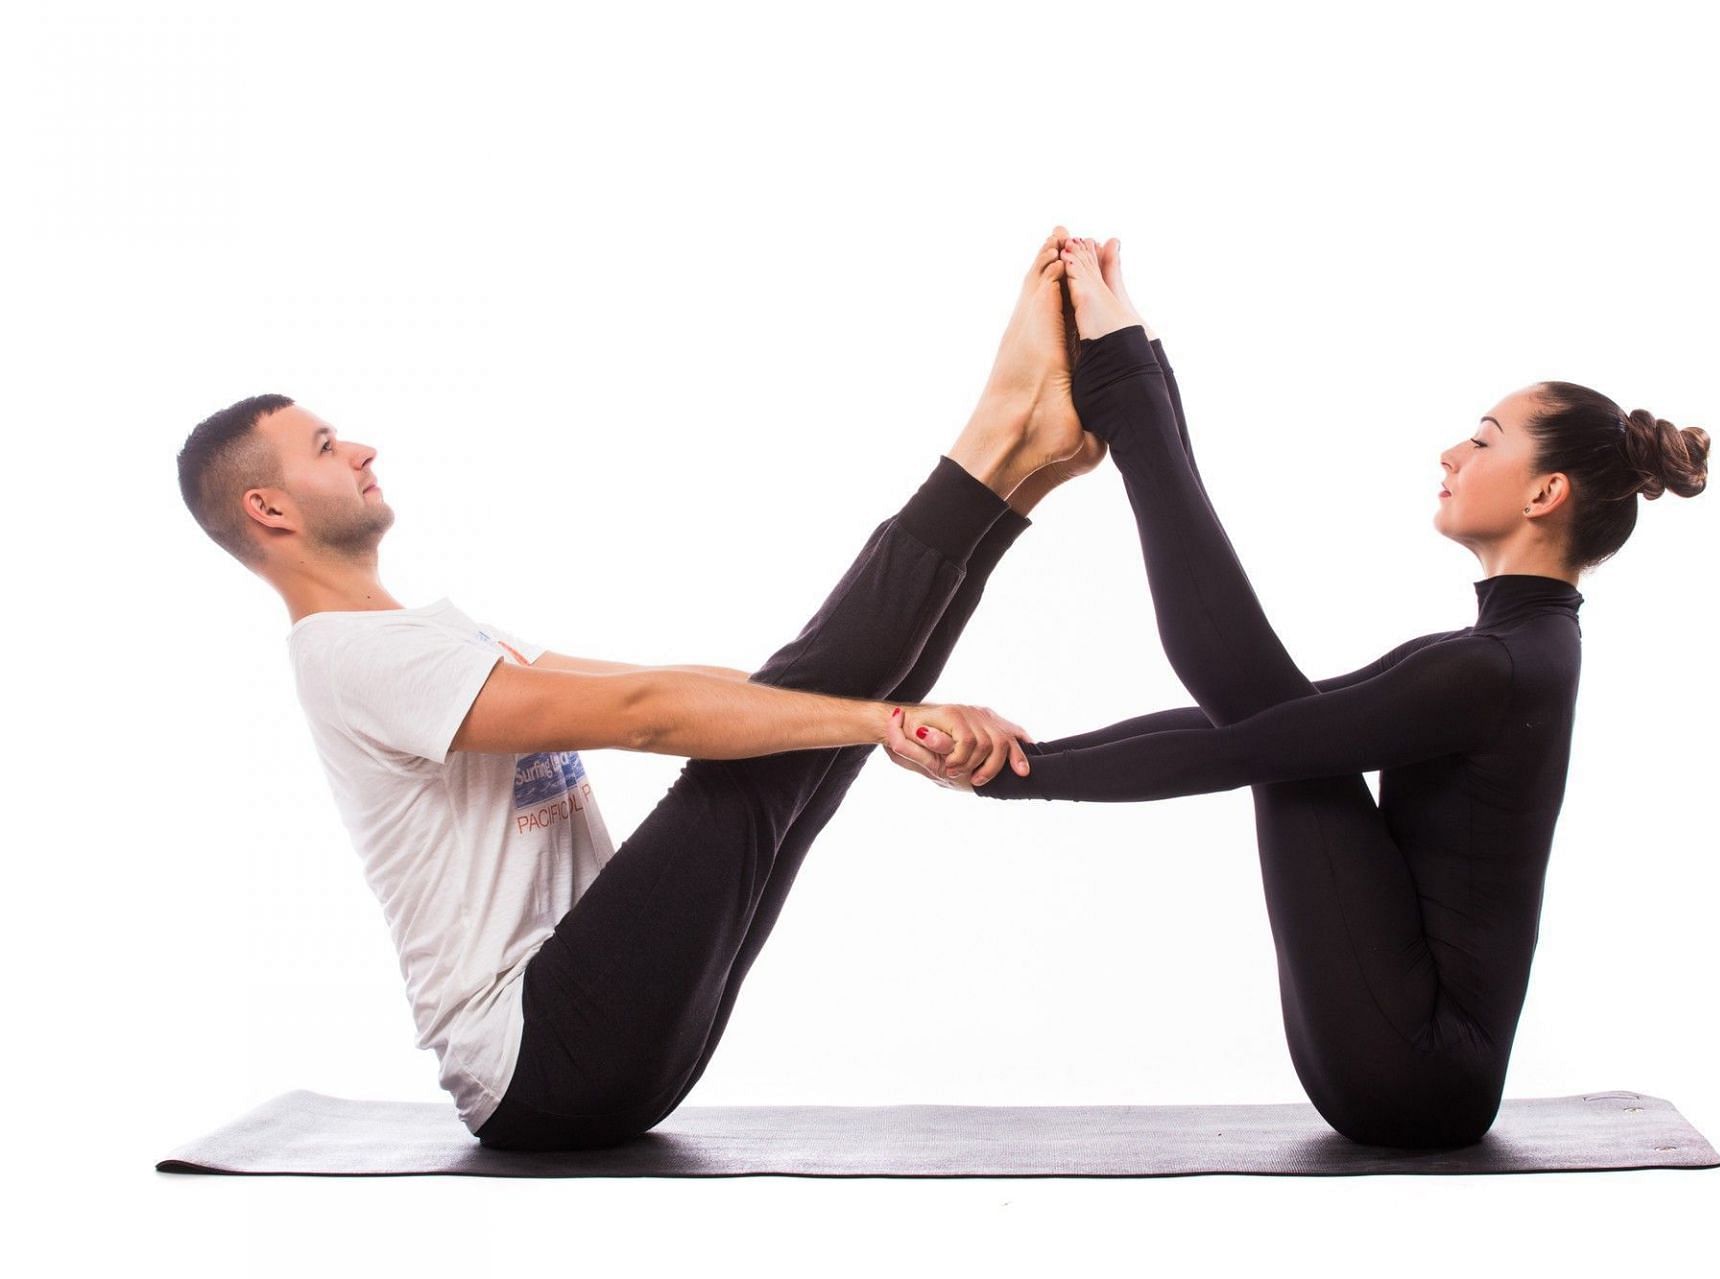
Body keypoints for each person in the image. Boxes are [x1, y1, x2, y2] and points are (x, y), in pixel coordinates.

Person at [174, 229, 1097, 1151]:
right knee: (776, 747)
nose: (363, 449)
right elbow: (643, 718)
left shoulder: (426, 638)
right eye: (328, 445)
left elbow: (669, 686)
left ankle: (1023, 469)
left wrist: (861, 716)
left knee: (795, 729)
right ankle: (999, 432)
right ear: (270, 508)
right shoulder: (351, 659)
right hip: (544, 1055)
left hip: (608, 1047)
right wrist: (880, 717)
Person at [885, 236, 1712, 1149]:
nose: (1450, 451)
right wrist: (1020, 762)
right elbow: (1256, 724)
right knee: (1269, 708)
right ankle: (1129, 386)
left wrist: (1014, 774)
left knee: (1263, 711)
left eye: (1481, 440)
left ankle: (1128, 389)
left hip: (1413, 1072)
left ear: (1545, 491)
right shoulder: (1505, 652)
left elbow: (1241, 742)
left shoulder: (1499, 667)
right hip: (1397, 1059)